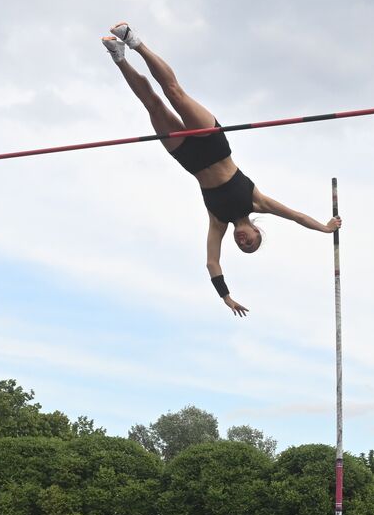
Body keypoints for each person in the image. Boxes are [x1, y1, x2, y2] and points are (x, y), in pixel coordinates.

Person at [102, 22, 341, 316]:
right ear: (256, 230)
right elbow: (297, 216)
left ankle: (119, 57)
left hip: (189, 159)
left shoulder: (218, 223)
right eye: (251, 243)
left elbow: (212, 263)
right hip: (213, 145)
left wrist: (225, 297)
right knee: (175, 94)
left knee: (153, 105)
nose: (244, 242)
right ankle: (135, 41)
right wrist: (324, 228)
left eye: (243, 247)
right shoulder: (258, 202)